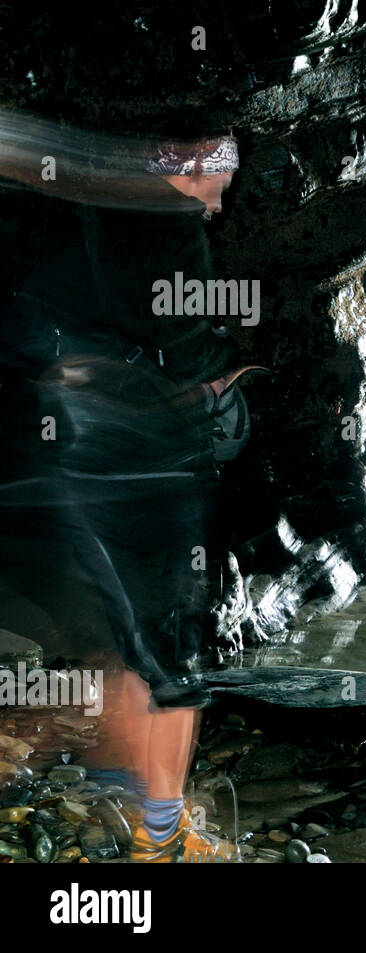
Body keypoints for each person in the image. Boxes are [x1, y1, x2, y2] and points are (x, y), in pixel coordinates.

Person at [0, 119, 254, 862]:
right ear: (191, 166)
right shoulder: (165, 222)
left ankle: (116, 801)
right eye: (217, 186)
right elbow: (183, 339)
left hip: (65, 462)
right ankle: (162, 837)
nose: (216, 207)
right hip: (145, 468)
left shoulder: (71, 209)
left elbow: (34, 322)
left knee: (112, 644)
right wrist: (223, 384)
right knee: (171, 665)